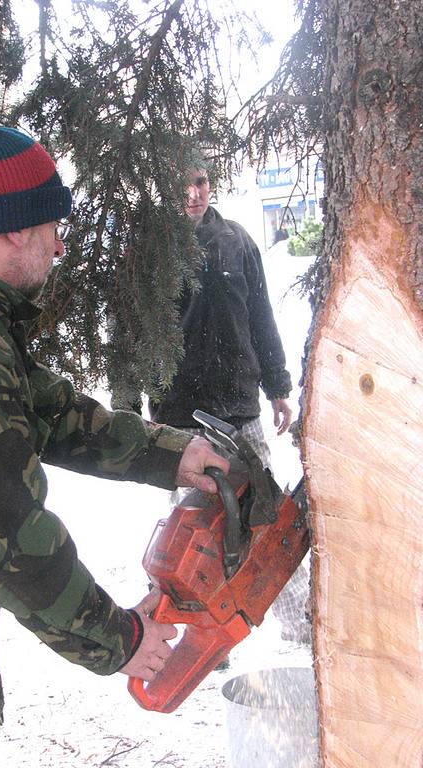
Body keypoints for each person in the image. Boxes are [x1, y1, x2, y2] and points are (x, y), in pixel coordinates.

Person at [0, 99, 230, 768]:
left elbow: (41, 407)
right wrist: (120, 638)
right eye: (53, 226)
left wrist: (172, 456)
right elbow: (9, 542)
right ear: (11, 231)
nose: (59, 244)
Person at [147, 163, 310, 646]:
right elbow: (133, 326)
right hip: (180, 415)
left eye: (200, 181)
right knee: (192, 531)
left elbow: (260, 316)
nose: (193, 193)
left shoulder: (237, 241)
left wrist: (278, 386)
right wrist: (125, 396)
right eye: (183, 181)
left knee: (270, 515)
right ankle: (200, 636)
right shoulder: (153, 248)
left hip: (238, 404)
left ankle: (299, 624)